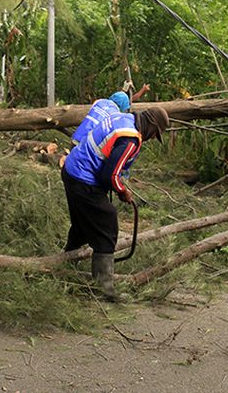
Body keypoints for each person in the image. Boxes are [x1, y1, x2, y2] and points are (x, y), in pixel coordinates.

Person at [62, 107, 169, 300]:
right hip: (83, 179)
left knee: (82, 223)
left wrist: (116, 186)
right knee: (107, 222)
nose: (153, 138)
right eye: (155, 134)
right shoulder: (130, 139)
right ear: (151, 125)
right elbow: (109, 175)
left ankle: (66, 268)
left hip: (71, 170)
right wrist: (122, 191)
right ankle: (104, 289)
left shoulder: (123, 118)